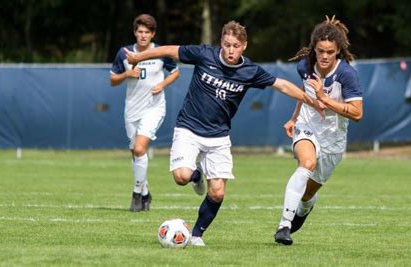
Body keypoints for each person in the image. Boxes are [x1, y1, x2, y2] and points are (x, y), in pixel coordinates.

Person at [125, 20, 323, 246]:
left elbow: (282, 85)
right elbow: (170, 50)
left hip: (218, 137)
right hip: (189, 128)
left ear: (244, 46)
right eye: (227, 44)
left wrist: (310, 100)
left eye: (236, 46)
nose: (231, 50)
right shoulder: (204, 55)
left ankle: (197, 234)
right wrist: (138, 57)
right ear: (221, 43)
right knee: (181, 177)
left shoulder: (250, 71)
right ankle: (196, 175)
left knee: (217, 193)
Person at [273, 15, 363, 245]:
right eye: (320, 51)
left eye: (330, 52)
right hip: (307, 126)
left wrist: (325, 98)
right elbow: (305, 91)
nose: (324, 56)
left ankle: (304, 208)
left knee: (307, 195)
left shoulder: (347, 75)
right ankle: (283, 225)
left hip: (333, 139)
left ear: (338, 52)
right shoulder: (304, 65)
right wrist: (293, 118)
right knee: (307, 163)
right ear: (314, 48)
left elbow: (357, 113)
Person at [110, 14, 180, 212]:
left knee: (140, 149)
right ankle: (146, 193)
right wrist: (126, 74)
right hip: (132, 109)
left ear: (153, 34)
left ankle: (136, 194)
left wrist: (162, 84)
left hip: (154, 108)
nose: (143, 35)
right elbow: (112, 80)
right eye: (139, 31)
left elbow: (175, 72)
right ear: (135, 32)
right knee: (135, 153)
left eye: (147, 32)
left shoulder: (159, 52)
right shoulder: (124, 53)